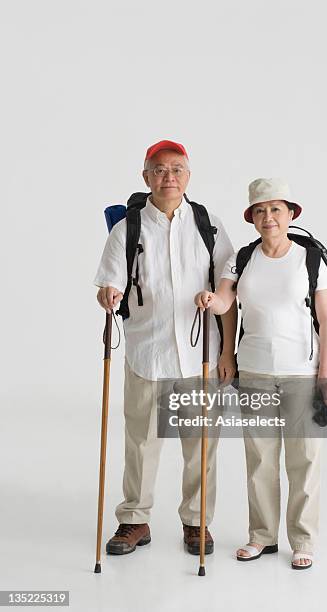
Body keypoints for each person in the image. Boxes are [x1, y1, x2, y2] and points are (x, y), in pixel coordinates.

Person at [94, 140, 236, 556]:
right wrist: (108, 294)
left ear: (188, 176)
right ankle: (134, 520)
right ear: (146, 177)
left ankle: (196, 522)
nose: (168, 176)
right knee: (140, 442)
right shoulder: (127, 228)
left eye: (177, 169)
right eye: (159, 170)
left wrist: (227, 352)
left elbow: (227, 289)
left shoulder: (208, 224)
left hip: (201, 355)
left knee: (202, 443)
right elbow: (111, 282)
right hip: (146, 351)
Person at [195, 177, 327, 569]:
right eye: (260, 210)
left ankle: (303, 541)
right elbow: (227, 300)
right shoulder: (242, 258)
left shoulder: (310, 260)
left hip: (301, 372)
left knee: (303, 459)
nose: (268, 217)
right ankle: (261, 537)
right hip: (253, 369)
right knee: (260, 458)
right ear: (252, 217)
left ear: (291, 214)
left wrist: (325, 369)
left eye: (275, 209)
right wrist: (212, 301)